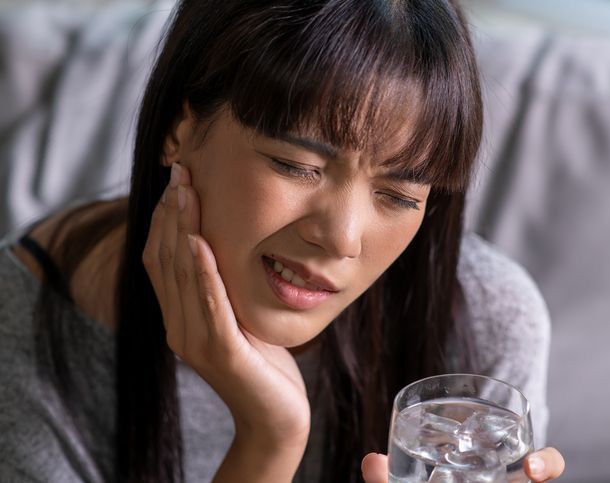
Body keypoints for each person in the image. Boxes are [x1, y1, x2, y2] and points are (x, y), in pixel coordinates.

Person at [0, 1, 565, 482]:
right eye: (296, 165)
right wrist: (269, 438)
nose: (342, 237)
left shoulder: (485, 321)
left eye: (398, 196)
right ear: (180, 127)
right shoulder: (23, 333)